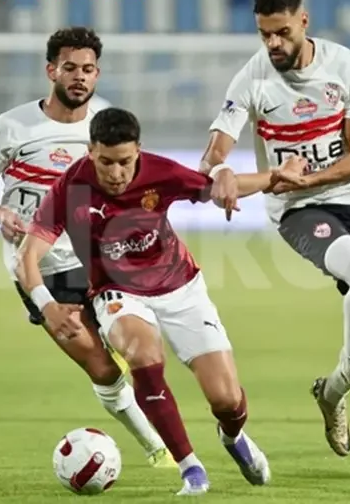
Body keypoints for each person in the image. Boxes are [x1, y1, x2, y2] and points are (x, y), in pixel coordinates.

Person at [16, 107, 307, 495]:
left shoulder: (160, 172)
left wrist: (275, 176)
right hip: (118, 293)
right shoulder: (70, 188)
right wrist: (47, 305)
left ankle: (233, 436)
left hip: (181, 288)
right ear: (90, 151)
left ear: (138, 150)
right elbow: (27, 256)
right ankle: (191, 469)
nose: (116, 173)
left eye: (124, 162)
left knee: (226, 399)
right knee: (143, 356)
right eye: (105, 162)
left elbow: (219, 187)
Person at [199, 0, 350, 459]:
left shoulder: (344, 66)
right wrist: (222, 171)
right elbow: (213, 154)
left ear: (303, 22)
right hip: (297, 210)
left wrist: (310, 177)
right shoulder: (252, 79)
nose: (273, 43)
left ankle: (332, 392)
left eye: (282, 32)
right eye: (264, 34)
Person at [0, 26, 173, 468]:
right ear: (51, 71)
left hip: (100, 260)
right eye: (70, 68)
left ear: (97, 74)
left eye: (88, 69)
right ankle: (156, 447)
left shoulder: (107, 126)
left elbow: (131, 185)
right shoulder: (12, 126)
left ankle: (173, 440)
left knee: (140, 351)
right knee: (103, 368)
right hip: (39, 267)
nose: (80, 77)